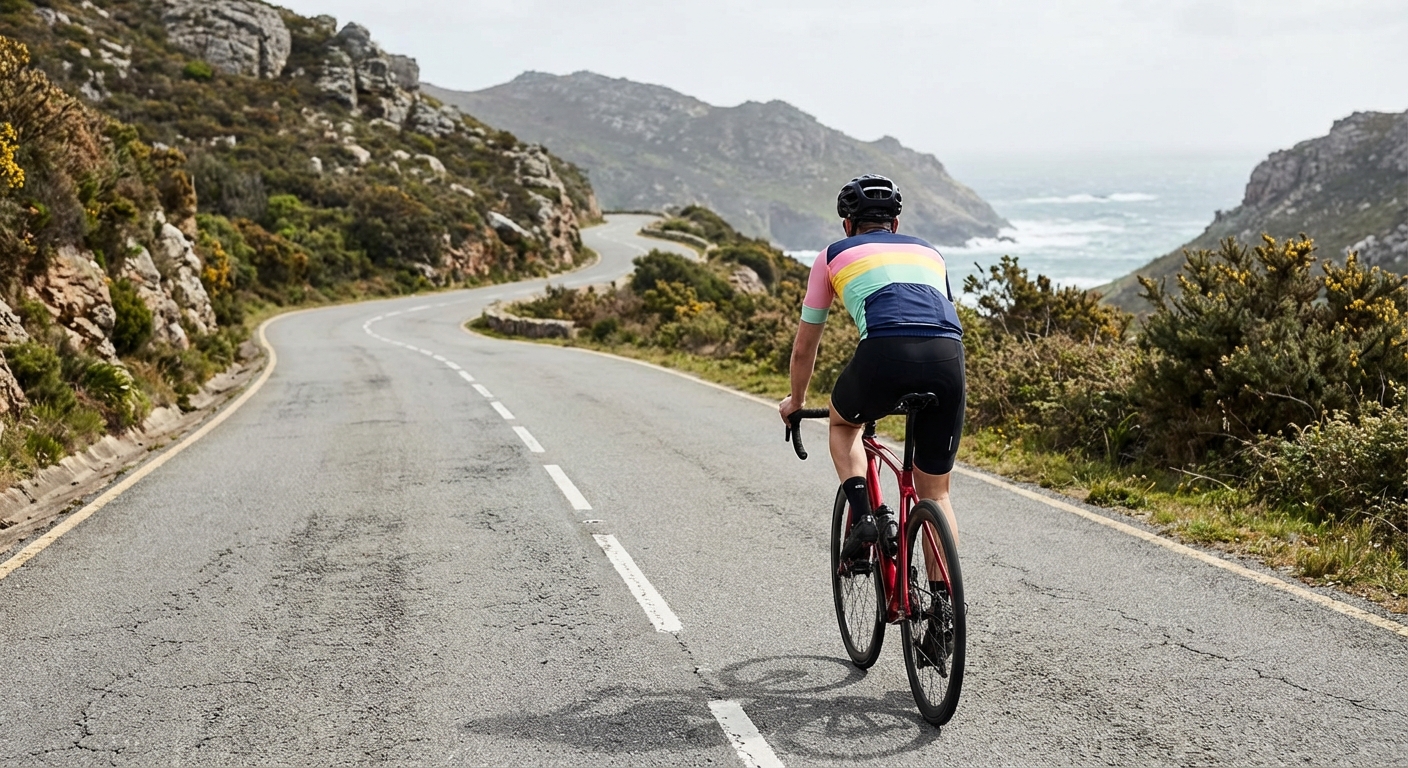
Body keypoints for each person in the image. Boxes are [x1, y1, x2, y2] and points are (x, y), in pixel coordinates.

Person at [778, 174, 966, 562]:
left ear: (847, 226)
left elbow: (803, 347)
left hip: (883, 352)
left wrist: (796, 401)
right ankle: (942, 612)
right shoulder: (931, 253)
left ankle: (864, 517)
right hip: (949, 357)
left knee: (844, 423)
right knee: (937, 493)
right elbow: (936, 316)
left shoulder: (832, 255)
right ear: (895, 224)